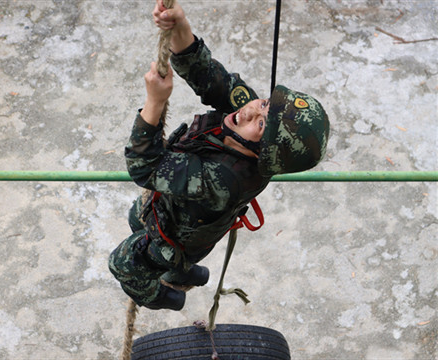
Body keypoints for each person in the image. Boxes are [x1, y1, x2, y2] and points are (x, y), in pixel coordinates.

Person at [108, 0, 330, 310]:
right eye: (265, 104)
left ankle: (164, 296)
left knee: (123, 264)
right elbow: (206, 74)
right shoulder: (247, 117)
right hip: (173, 207)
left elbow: (146, 166)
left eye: (262, 124)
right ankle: (187, 271)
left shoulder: (224, 180)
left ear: (263, 154)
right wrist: (180, 27)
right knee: (137, 217)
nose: (250, 111)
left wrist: (155, 103)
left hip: (177, 236)